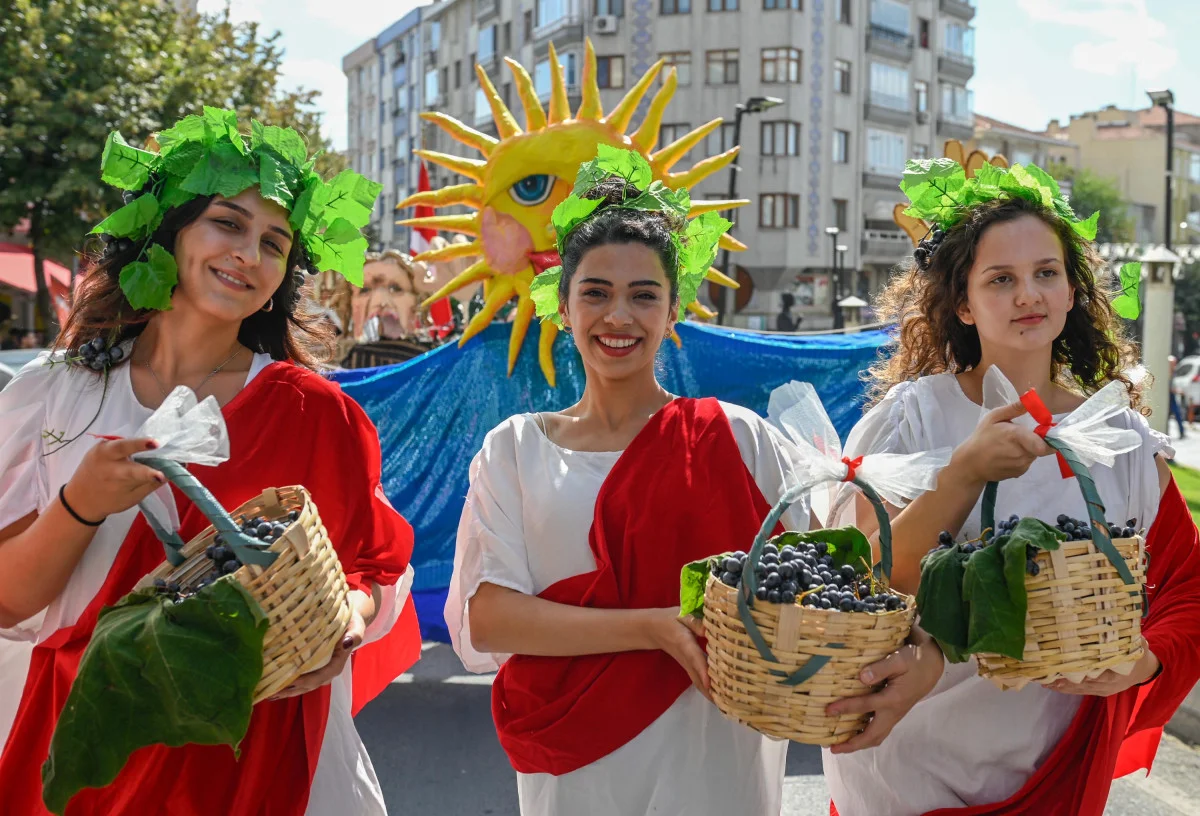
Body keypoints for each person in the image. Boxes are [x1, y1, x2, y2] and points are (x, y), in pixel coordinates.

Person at [443, 146, 936, 815]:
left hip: (711, 756)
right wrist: (653, 627)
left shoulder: (735, 435)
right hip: (571, 768)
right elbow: (491, 616)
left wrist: (918, 648)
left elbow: (831, 587)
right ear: (562, 306)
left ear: (673, 311)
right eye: (596, 293)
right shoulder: (515, 449)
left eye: (644, 296)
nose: (619, 316)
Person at [0, 109, 420, 815]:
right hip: (90, 749)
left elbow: (371, 566)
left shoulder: (315, 413)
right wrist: (80, 506)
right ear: (170, 230)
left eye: (275, 243)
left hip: (255, 758)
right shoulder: (51, 395)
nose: (249, 254)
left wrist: (349, 612)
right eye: (228, 223)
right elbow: (11, 600)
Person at [822, 160, 1200, 816]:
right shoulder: (911, 421)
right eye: (1002, 279)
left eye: (1046, 273)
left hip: (1047, 771)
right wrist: (964, 474)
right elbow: (859, 579)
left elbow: (1189, 590)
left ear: (1073, 292)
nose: (1029, 294)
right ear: (963, 303)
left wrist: (1143, 662)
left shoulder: (1122, 443)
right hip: (902, 771)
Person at [1168, 355, 1187, 439]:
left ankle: (1182, 432)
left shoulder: (1173, 372)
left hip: (1172, 396)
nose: (1174, 365)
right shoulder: (1166, 372)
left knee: (1177, 413)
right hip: (1168, 396)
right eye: (1173, 363)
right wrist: (1177, 391)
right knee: (1175, 413)